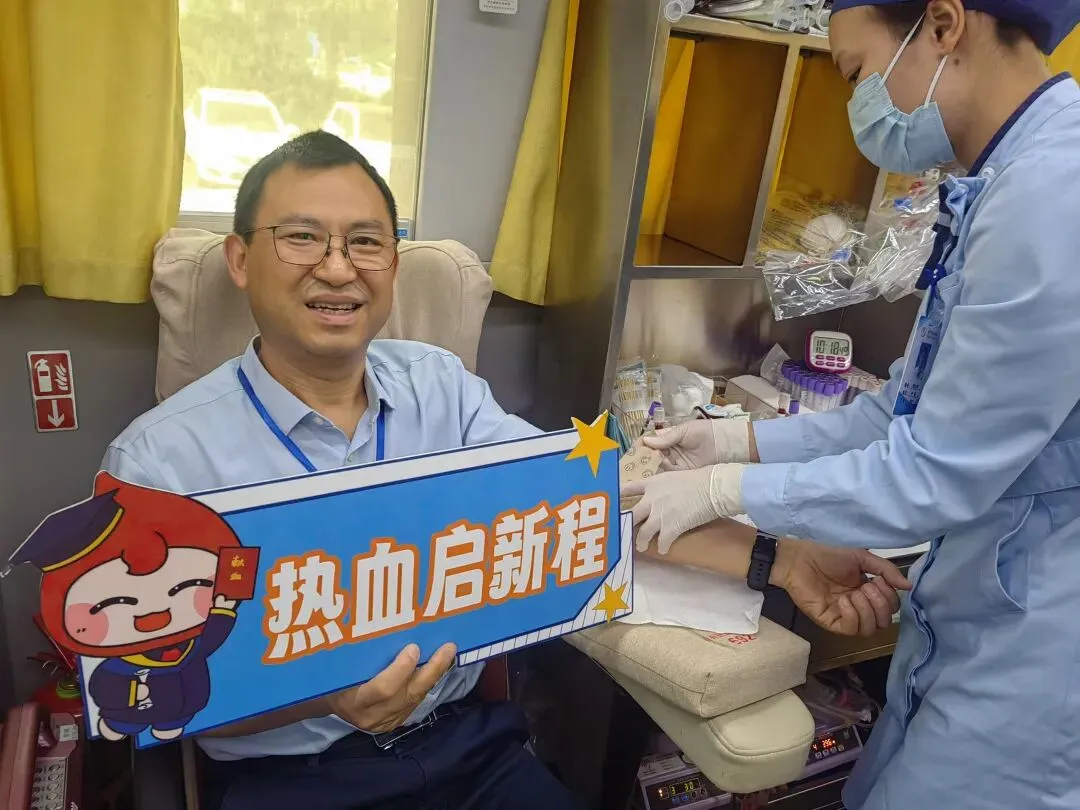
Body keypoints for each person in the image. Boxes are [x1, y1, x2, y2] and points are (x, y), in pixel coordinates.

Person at [103, 130, 904, 810]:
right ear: (241, 258)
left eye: (366, 242)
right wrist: (327, 696)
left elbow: (583, 509)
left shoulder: (440, 389)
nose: (338, 269)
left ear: (392, 264)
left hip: (470, 755)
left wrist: (780, 559)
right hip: (297, 780)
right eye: (302, 238)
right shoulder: (159, 462)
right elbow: (142, 687)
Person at [623, 2, 1080, 808]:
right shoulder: (1002, 185)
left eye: (858, 71)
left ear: (943, 24)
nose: (859, 106)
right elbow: (902, 411)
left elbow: (929, 473)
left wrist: (721, 493)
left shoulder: (1053, 197)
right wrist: (735, 445)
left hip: (1040, 643)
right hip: (978, 608)